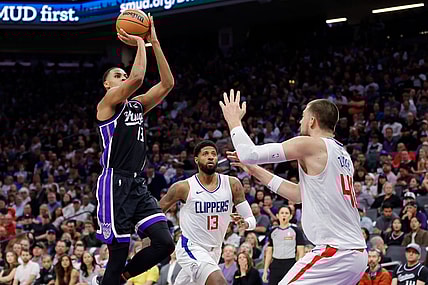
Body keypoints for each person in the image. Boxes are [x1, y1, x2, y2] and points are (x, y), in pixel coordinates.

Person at [220, 92, 367, 284]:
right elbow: (297, 195)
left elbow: (249, 153)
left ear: (312, 121)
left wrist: (233, 121)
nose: (300, 121)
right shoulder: (342, 154)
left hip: (336, 251)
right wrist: (253, 170)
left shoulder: (310, 144)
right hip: (354, 254)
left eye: (303, 116)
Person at [95, 14, 175, 285]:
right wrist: (141, 43)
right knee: (117, 256)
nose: (124, 77)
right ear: (108, 85)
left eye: (124, 74)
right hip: (114, 182)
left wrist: (155, 43)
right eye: (118, 76)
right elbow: (139, 77)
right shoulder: (107, 104)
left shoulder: (137, 105)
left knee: (164, 243)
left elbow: (167, 84)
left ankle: (121, 279)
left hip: (137, 184)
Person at [159, 140, 257, 285]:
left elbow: (251, 220)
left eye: (213, 154)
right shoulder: (183, 187)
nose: (210, 156)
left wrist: (245, 223)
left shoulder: (232, 184)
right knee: (218, 282)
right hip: (190, 246)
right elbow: (156, 212)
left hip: (215, 250)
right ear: (197, 160)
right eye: (205, 154)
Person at [263, 206, 305, 285]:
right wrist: (265, 270)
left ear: (291, 216)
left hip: (290, 264)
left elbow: (301, 251)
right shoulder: (273, 231)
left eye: (286, 213)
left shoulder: (296, 231)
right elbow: (269, 252)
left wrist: (299, 268)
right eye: (282, 213)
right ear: (277, 215)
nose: (284, 215)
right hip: (276, 264)